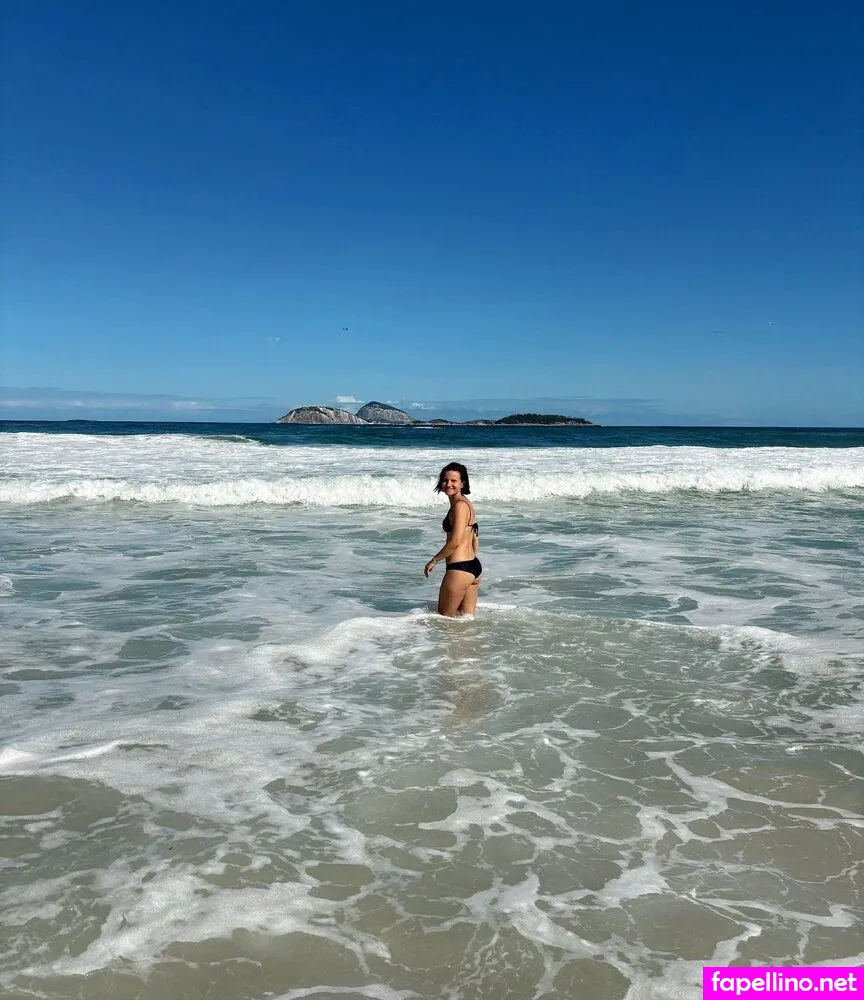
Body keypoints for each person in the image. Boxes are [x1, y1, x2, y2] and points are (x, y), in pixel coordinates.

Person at [424, 462, 481, 616]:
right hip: (473, 567)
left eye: (454, 480)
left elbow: (455, 542)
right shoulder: (466, 503)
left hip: (459, 569)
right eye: (445, 480)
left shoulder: (459, 506)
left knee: (444, 620)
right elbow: (475, 536)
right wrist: (472, 562)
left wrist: (434, 561)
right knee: (466, 621)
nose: (448, 484)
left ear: (463, 484)